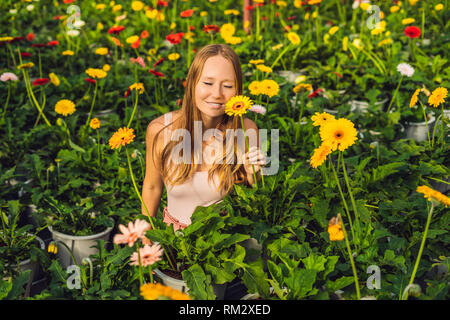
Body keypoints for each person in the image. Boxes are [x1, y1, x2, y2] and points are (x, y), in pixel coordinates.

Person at [141, 44, 266, 231]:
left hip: (225, 244)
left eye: (228, 86)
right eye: (208, 83)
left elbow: (255, 201)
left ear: (238, 90)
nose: (217, 94)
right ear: (192, 83)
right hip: (176, 244)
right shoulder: (161, 130)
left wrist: (253, 175)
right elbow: (152, 188)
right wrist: (145, 239)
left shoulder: (247, 130)